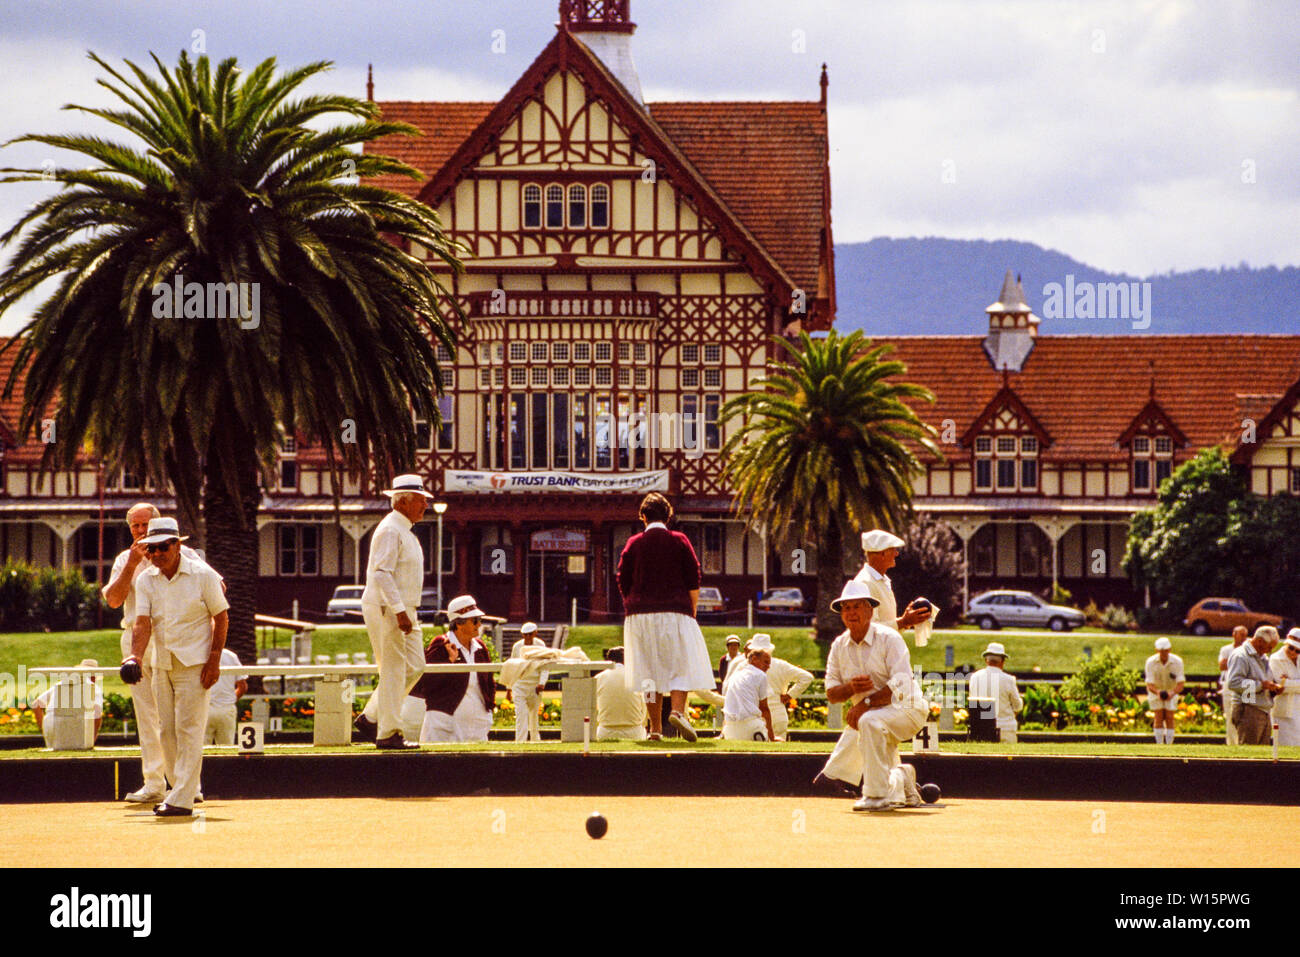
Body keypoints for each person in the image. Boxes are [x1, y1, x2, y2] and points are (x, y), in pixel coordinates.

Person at [102, 503, 212, 803]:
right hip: (136, 641)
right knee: (148, 715)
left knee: (179, 718)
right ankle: (153, 783)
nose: (140, 530)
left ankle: (187, 787)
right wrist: (133, 564)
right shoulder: (125, 559)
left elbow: (216, 590)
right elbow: (113, 600)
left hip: (174, 640)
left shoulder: (185, 554)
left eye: (145, 524)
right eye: (135, 526)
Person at [121, 517, 229, 817]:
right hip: (162, 662)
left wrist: (215, 659)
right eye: (150, 549)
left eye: (162, 547)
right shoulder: (145, 580)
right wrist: (135, 658)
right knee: (166, 731)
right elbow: (142, 623)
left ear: (177, 544)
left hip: (196, 664)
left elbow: (221, 617)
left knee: (189, 729)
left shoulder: (202, 574)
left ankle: (181, 798)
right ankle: (184, 788)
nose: (156, 554)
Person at [814, 579, 927, 811]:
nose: (851, 613)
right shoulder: (838, 646)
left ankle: (875, 796)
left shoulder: (889, 638)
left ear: (870, 609)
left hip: (908, 709)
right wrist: (851, 689)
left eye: (856, 606)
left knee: (868, 721)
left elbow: (902, 684)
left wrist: (865, 703)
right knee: (871, 727)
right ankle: (902, 778)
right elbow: (832, 694)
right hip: (875, 716)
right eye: (846, 608)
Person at [616, 492, 715, 742]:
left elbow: (622, 577)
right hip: (675, 610)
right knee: (679, 664)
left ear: (643, 517)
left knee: (648, 672)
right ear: (669, 516)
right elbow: (694, 577)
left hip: (639, 614)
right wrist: (691, 611)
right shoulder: (679, 540)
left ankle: (655, 729)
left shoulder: (633, 544)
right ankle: (679, 712)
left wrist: (632, 603)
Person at [354, 474, 432, 750]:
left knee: (415, 666)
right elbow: (382, 573)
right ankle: (388, 732)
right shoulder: (390, 530)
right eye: (421, 500)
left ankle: (372, 716)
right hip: (387, 607)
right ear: (403, 502)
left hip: (403, 608)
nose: (426, 505)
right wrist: (399, 611)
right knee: (394, 670)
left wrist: (404, 610)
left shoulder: (404, 530)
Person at [416, 595, 495, 743]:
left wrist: (489, 709)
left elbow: (489, 683)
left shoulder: (480, 648)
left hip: (477, 727)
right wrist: (449, 662)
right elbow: (425, 684)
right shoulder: (441, 645)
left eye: (479, 620)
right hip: (445, 726)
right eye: (475, 621)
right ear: (459, 623)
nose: (479, 625)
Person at [853, 529, 932, 634]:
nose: (896, 553)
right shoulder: (864, 583)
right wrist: (903, 621)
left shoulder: (881, 581)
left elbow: (886, 627)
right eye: (893, 549)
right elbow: (867, 629)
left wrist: (907, 621)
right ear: (882, 554)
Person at [1225, 626, 1285, 745]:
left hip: (1263, 709)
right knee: (1249, 753)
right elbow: (1233, 682)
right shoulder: (1241, 656)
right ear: (1259, 641)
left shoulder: (1263, 657)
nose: (1269, 651)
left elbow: (1264, 682)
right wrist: (1261, 686)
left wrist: (1273, 689)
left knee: (1261, 756)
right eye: (1269, 647)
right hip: (1248, 709)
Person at [749, 633, 813, 742]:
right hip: (778, 714)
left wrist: (790, 695)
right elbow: (807, 677)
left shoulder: (748, 666)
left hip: (758, 714)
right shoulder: (781, 665)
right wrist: (790, 695)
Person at [33, 660, 102, 748]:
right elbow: (97, 712)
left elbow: (36, 704)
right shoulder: (93, 687)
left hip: (49, 721)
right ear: (94, 676)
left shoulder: (60, 683)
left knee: (53, 757)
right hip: (72, 723)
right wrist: (91, 740)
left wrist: (44, 727)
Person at [966, 642, 1023, 743]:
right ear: (1002, 661)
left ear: (986, 660)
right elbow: (1018, 706)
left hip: (981, 730)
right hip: (1005, 729)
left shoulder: (974, 677)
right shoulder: (1008, 679)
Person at [722, 646, 774, 741]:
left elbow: (728, 705)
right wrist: (772, 738)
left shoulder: (735, 675)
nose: (768, 666)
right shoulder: (761, 675)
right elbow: (764, 708)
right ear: (754, 659)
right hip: (752, 726)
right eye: (766, 662)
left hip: (730, 729)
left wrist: (722, 733)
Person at [595, 647, 647, 741]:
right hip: (634, 732)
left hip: (605, 732)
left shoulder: (598, 678)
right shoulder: (638, 677)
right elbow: (645, 707)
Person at [508, 621, 548, 743]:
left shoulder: (541, 645)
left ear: (535, 633)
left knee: (534, 715)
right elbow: (512, 666)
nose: (527, 637)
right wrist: (509, 688)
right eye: (525, 635)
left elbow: (545, 665)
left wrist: (542, 683)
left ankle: (535, 741)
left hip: (535, 685)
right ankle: (520, 742)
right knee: (521, 714)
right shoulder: (517, 647)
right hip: (519, 684)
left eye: (530, 634)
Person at [1144, 637, 1185, 744]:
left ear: (1170, 649)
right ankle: (1159, 744)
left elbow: (1180, 684)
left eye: (1166, 651)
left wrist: (1171, 693)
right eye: (1161, 651)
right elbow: (1149, 683)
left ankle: (1169, 744)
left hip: (1172, 690)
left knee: (1169, 716)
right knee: (1158, 716)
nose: (1164, 653)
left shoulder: (1177, 661)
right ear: (1157, 650)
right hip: (1155, 691)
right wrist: (1158, 693)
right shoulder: (1150, 662)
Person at [204, 647, 247, 745]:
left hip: (205, 709)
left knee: (201, 753)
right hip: (226, 709)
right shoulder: (231, 656)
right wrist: (228, 700)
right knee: (227, 751)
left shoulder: (198, 654)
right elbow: (243, 686)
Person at [1268, 629, 1300, 746]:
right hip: (1284, 711)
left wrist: (1289, 682)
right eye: (1291, 648)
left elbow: (1286, 684)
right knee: (1284, 746)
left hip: (1299, 709)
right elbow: (1281, 685)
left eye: (1297, 651)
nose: (1293, 652)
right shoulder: (1275, 659)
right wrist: (1286, 683)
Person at [1219, 626, 1249, 745]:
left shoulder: (1248, 649)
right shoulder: (1226, 649)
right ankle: (1232, 744)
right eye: (1240, 634)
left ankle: (1244, 742)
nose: (1243, 637)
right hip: (1229, 685)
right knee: (1231, 716)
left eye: (1245, 635)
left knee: (1247, 715)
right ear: (1234, 634)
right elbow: (1222, 666)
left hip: (1246, 685)